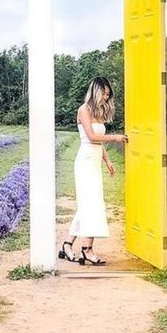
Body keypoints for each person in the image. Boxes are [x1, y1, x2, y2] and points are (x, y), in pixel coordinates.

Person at [58, 76, 127, 266]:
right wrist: (115, 138)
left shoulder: (99, 112)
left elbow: (99, 142)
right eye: (103, 93)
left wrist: (108, 161)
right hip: (85, 162)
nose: (106, 97)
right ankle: (87, 250)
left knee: (87, 204)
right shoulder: (84, 110)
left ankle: (67, 245)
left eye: (108, 94)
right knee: (92, 204)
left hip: (95, 161)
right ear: (95, 91)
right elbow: (91, 137)